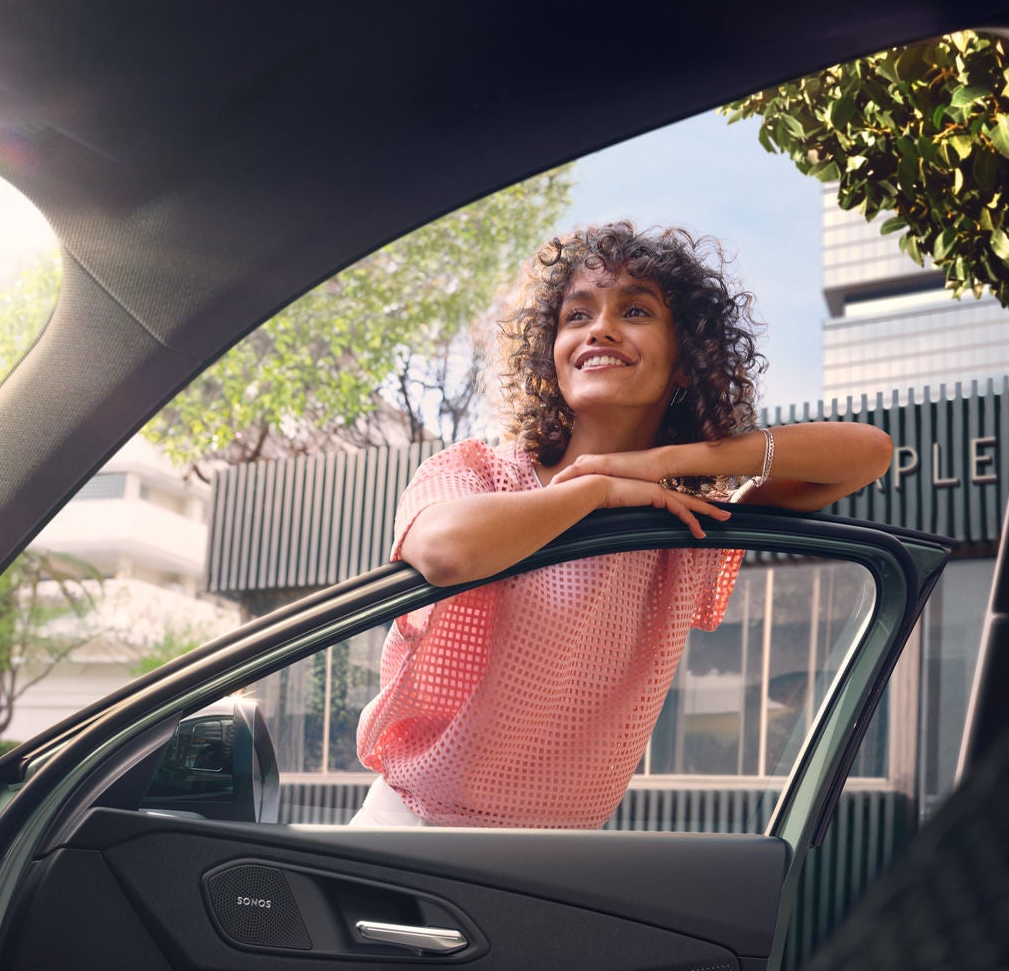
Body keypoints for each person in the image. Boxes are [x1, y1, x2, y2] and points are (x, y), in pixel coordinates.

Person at [350, 222, 892, 828]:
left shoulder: (687, 508)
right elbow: (444, 552)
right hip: (417, 825)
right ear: (550, 355)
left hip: (567, 852)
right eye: (575, 316)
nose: (599, 328)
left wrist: (671, 463)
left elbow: (868, 453)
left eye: (634, 310)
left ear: (685, 359)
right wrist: (598, 489)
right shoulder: (481, 472)